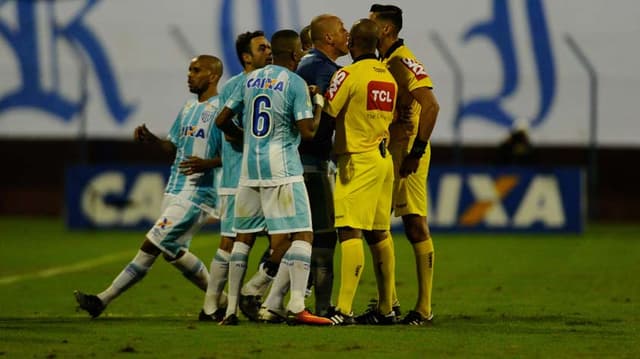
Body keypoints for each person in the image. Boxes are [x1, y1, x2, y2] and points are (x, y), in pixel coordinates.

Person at [74, 55, 226, 318]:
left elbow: (235, 152)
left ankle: (102, 299)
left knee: (152, 244)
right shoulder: (189, 108)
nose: (189, 75)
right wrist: (153, 140)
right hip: (175, 188)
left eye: (196, 70)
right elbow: (174, 145)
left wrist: (208, 163)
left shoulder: (222, 110)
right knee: (174, 251)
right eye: (189, 69)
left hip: (198, 192)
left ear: (213, 76)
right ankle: (220, 300)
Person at [215, 29, 331, 326]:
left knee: (243, 240)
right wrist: (317, 105)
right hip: (283, 169)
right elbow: (308, 132)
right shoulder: (295, 83)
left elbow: (222, 120)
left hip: (249, 171)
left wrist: (244, 140)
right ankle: (296, 305)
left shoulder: (249, 80)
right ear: (295, 55)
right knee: (304, 233)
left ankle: (230, 311)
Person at [323, 19, 398, 325]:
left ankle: (342, 309)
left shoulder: (347, 74)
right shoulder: (388, 77)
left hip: (357, 160)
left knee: (349, 231)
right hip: (383, 160)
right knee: (380, 233)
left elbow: (328, 114)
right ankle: (386, 308)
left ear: (352, 44)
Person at [368, 4, 440, 325]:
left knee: (414, 224)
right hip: (388, 150)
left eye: (371, 23)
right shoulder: (382, 60)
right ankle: (389, 304)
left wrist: (417, 151)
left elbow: (431, 105)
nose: (366, 27)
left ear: (385, 29)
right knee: (377, 225)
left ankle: (423, 308)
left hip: (407, 152)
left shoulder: (402, 60)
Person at [199, 32, 273, 322]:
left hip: (263, 177)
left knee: (282, 239)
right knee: (229, 242)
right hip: (237, 178)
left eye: (268, 47)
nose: (268, 52)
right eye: (261, 48)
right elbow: (227, 133)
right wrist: (249, 139)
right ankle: (210, 307)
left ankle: (252, 293)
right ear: (246, 56)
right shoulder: (235, 85)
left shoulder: (268, 83)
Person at [294, 13, 349, 316]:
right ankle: (323, 309)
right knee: (324, 234)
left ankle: (271, 299)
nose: (346, 34)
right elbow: (330, 113)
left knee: (299, 235)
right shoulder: (320, 68)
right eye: (342, 30)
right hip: (309, 163)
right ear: (328, 38)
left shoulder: (313, 65)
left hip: (309, 161)